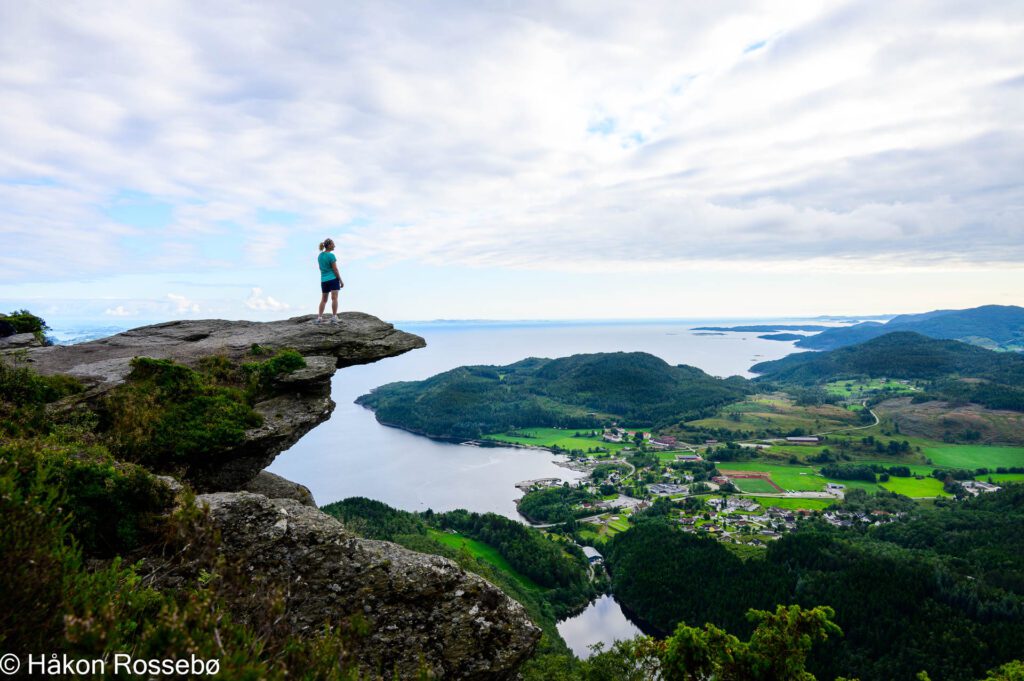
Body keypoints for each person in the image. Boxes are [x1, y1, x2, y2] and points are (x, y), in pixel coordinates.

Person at [316, 238, 344, 323]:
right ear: (329, 245)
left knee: (324, 300)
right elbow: (335, 269)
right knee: (334, 298)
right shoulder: (331, 255)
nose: (334, 245)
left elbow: (320, 268)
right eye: (333, 244)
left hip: (324, 280)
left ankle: (319, 317)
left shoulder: (320, 256)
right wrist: (340, 280)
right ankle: (334, 317)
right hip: (332, 279)